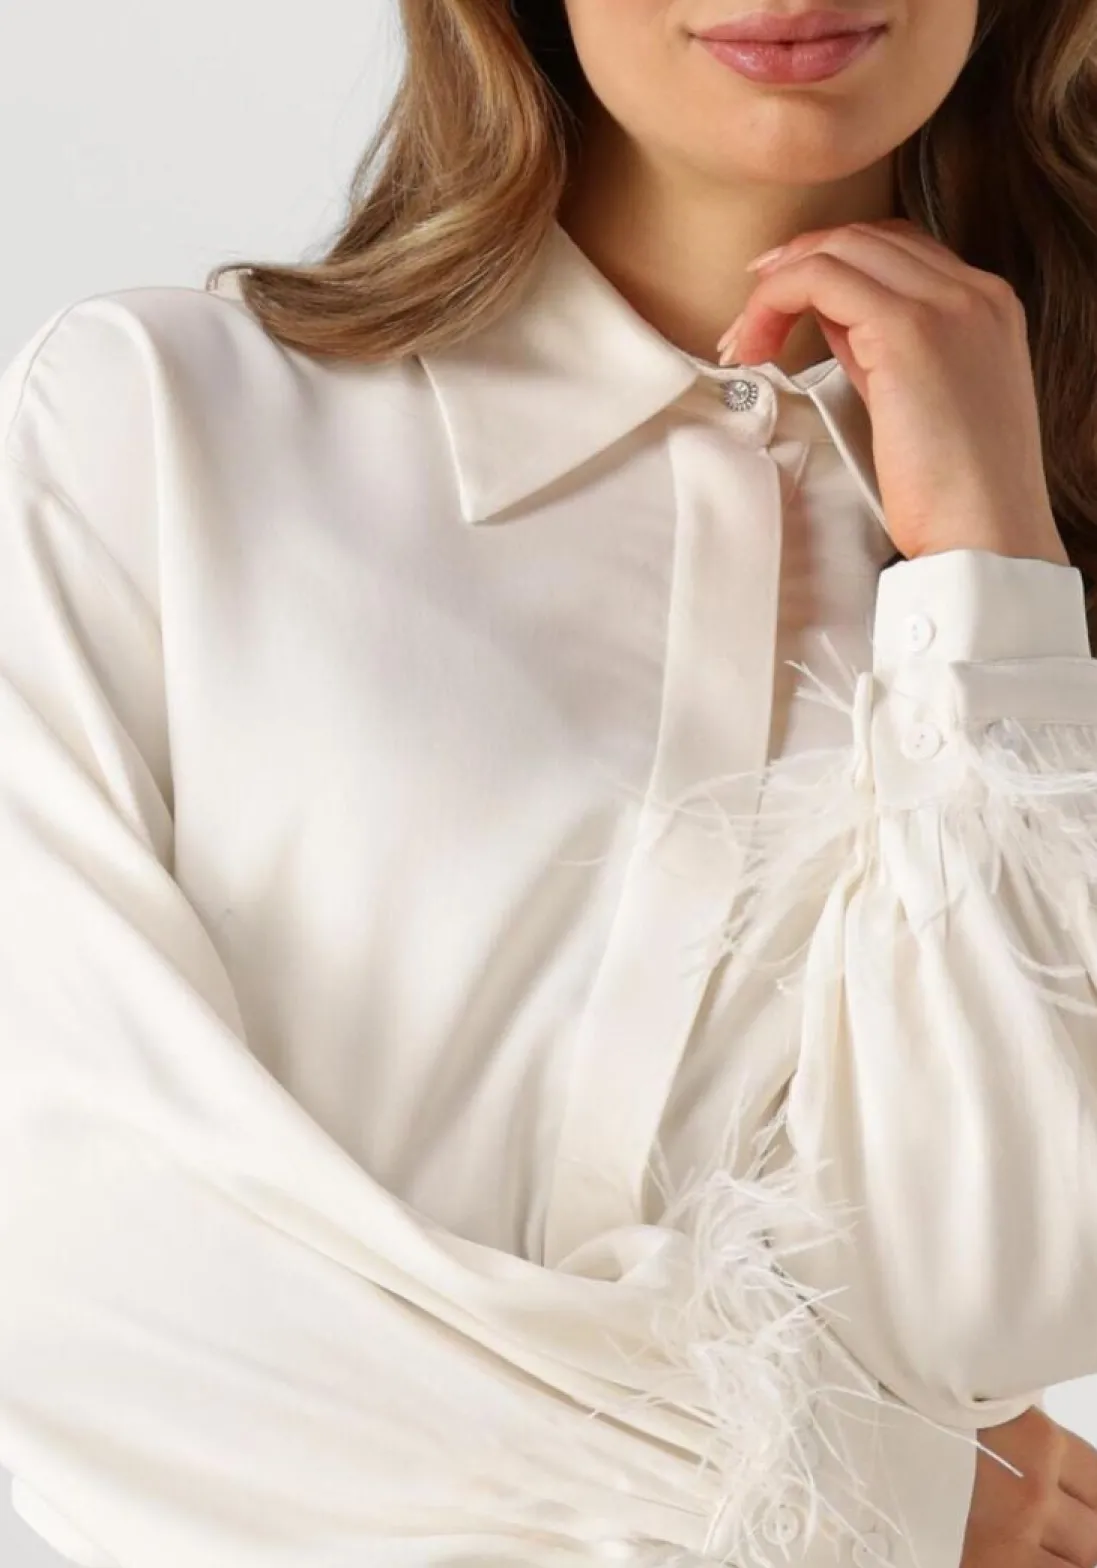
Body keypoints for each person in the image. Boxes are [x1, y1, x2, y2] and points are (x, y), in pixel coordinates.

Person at [3, 0, 1097, 1565]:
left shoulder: (1041, 579)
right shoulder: (154, 430)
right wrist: (880, 1494)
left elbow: (1005, 1295)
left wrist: (991, 587)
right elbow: (74, 1270)